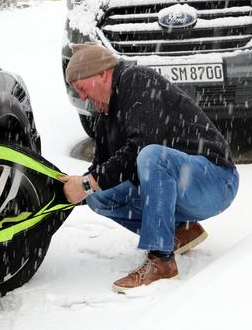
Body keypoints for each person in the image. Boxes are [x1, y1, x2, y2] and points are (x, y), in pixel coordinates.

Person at [58, 43, 239, 292]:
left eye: (81, 87)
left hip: (216, 180)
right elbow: (101, 169)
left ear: (102, 73)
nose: (82, 97)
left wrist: (88, 182)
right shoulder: (104, 116)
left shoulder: (137, 81)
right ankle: (181, 231)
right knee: (97, 196)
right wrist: (71, 190)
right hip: (181, 185)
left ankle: (161, 261)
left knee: (151, 155)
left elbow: (142, 146)